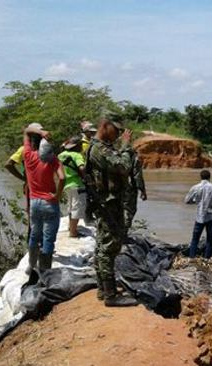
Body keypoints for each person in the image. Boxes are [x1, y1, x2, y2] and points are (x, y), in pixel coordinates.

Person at [85, 115, 138, 307]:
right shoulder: (99, 149)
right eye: (115, 130)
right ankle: (110, 295)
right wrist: (125, 146)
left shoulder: (97, 147)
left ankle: (103, 289)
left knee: (101, 246)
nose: (117, 135)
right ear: (105, 126)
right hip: (108, 205)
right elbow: (123, 167)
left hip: (105, 203)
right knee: (108, 248)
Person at [23, 123, 65, 274]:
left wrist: (40, 132)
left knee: (34, 235)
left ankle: (31, 266)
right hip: (50, 203)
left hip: (34, 202)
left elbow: (26, 131)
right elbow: (62, 178)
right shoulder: (53, 159)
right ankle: (45, 273)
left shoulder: (27, 156)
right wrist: (58, 195)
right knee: (48, 239)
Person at [184, 170, 212, 259]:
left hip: (199, 216)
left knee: (195, 239)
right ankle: (207, 259)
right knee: (210, 240)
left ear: (200, 177)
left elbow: (187, 200)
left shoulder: (195, 187)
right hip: (211, 215)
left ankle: (192, 258)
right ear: (209, 177)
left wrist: (196, 202)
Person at [58, 136, 86, 238]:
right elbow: (82, 168)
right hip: (77, 184)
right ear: (77, 146)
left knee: (70, 207)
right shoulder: (77, 155)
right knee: (77, 208)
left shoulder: (61, 155)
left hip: (66, 184)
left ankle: (71, 228)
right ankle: (73, 232)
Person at [123, 147, 147, 233]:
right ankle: (124, 233)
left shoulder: (114, 153)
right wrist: (143, 191)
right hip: (129, 187)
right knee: (129, 210)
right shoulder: (133, 157)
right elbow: (137, 175)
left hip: (115, 188)